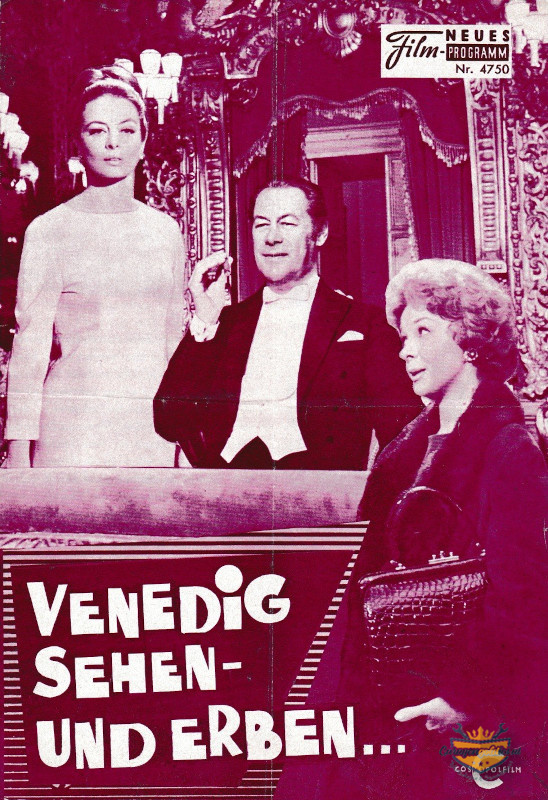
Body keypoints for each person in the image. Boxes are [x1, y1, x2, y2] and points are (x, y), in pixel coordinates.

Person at [274, 259, 548, 799]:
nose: (405, 350)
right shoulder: (403, 451)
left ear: (469, 339)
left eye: (423, 331)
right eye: (403, 336)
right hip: (390, 697)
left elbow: (522, 599)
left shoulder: (509, 447)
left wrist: (464, 698)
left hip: (468, 711)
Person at [154, 177, 421, 469]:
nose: (272, 237)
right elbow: (169, 422)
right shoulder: (224, 323)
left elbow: (403, 436)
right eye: (261, 224)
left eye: (287, 223)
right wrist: (204, 321)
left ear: (320, 233)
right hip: (227, 489)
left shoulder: (365, 324)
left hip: (321, 494)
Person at [4, 65, 186, 467]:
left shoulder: (165, 231)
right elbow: (31, 347)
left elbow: (174, 341)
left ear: (144, 141)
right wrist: (18, 453)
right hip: (74, 431)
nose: (113, 143)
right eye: (97, 130)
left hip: (152, 431)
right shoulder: (49, 230)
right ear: (79, 141)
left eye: (126, 130)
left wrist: (186, 439)